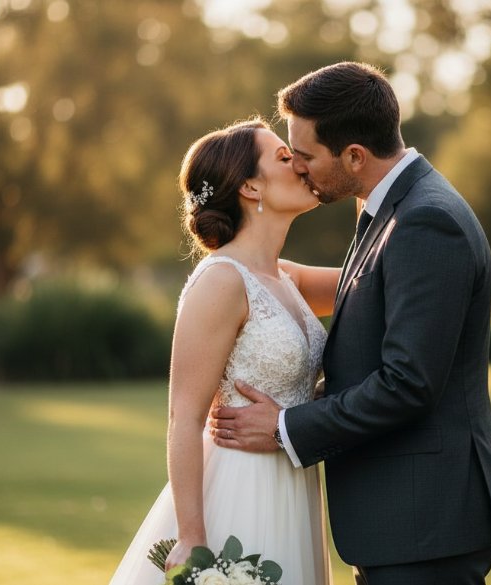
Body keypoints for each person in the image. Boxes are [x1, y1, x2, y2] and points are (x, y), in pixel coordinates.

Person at [211, 62, 491, 584]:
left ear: (354, 156)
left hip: (424, 522)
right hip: (404, 519)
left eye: (305, 156)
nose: (298, 168)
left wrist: (285, 427)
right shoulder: (387, 210)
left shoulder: (425, 220)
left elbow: (408, 383)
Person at [107, 118, 335, 585]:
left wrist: (365, 188)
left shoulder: (285, 278)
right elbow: (184, 418)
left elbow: (373, 278)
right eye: (284, 157)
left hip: (293, 485)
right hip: (241, 489)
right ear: (251, 187)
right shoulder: (221, 281)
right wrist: (192, 535)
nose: (301, 165)